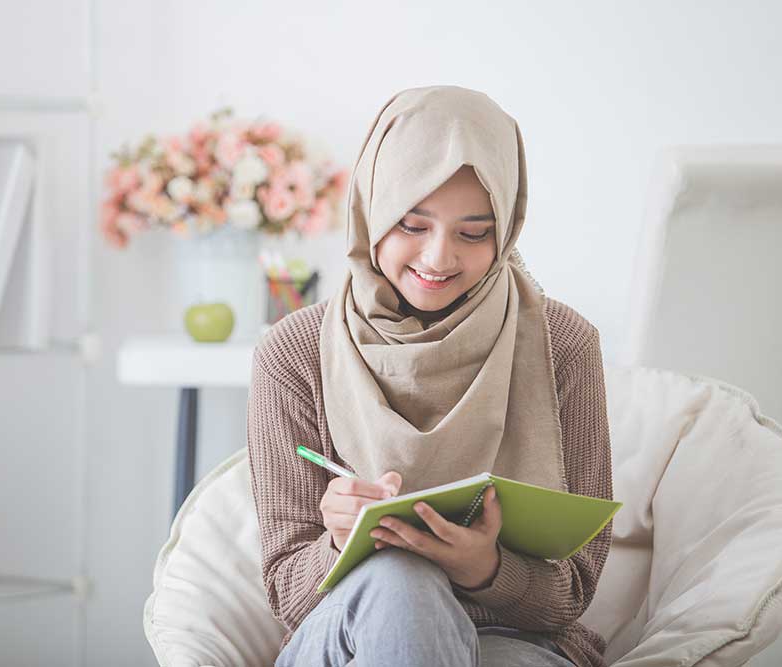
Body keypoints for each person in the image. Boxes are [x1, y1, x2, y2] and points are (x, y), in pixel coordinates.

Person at [246, 85, 614, 667]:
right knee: (399, 580)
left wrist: (484, 568)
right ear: (371, 213)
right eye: (412, 225)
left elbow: (573, 592)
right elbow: (287, 594)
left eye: (474, 232)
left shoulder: (562, 345)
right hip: (349, 637)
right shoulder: (294, 352)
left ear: (508, 226)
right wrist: (340, 541)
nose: (439, 258)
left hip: (512, 643)